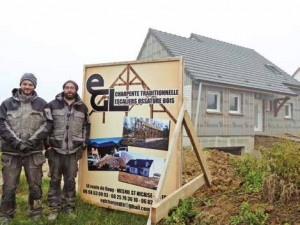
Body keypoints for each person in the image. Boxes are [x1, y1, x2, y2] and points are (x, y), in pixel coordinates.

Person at [0, 73, 51, 224]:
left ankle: (35, 212)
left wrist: (31, 141)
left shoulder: (42, 104)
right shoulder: (6, 104)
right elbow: (2, 125)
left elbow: (47, 124)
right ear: (20, 84)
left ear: (34, 86)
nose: (27, 87)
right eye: (25, 84)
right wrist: (17, 143)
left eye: (30, 84)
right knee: (9, 187)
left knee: (35, 186)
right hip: (11, 153)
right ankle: (6, 215)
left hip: (33, 153)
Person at [46, 80, 90, 221]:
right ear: (63, 89)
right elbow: (46, 126)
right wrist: (47, 145)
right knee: (55, 180)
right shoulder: (52, 105)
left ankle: (69, 207)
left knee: (70, 181)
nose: (69, 90)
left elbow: (86, 127)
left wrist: (83, 144)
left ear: (76, 90)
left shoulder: (83, 108)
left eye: (72, 88)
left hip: (73, 151)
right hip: (56, 150)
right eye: (67, 87)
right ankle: (54, 208)